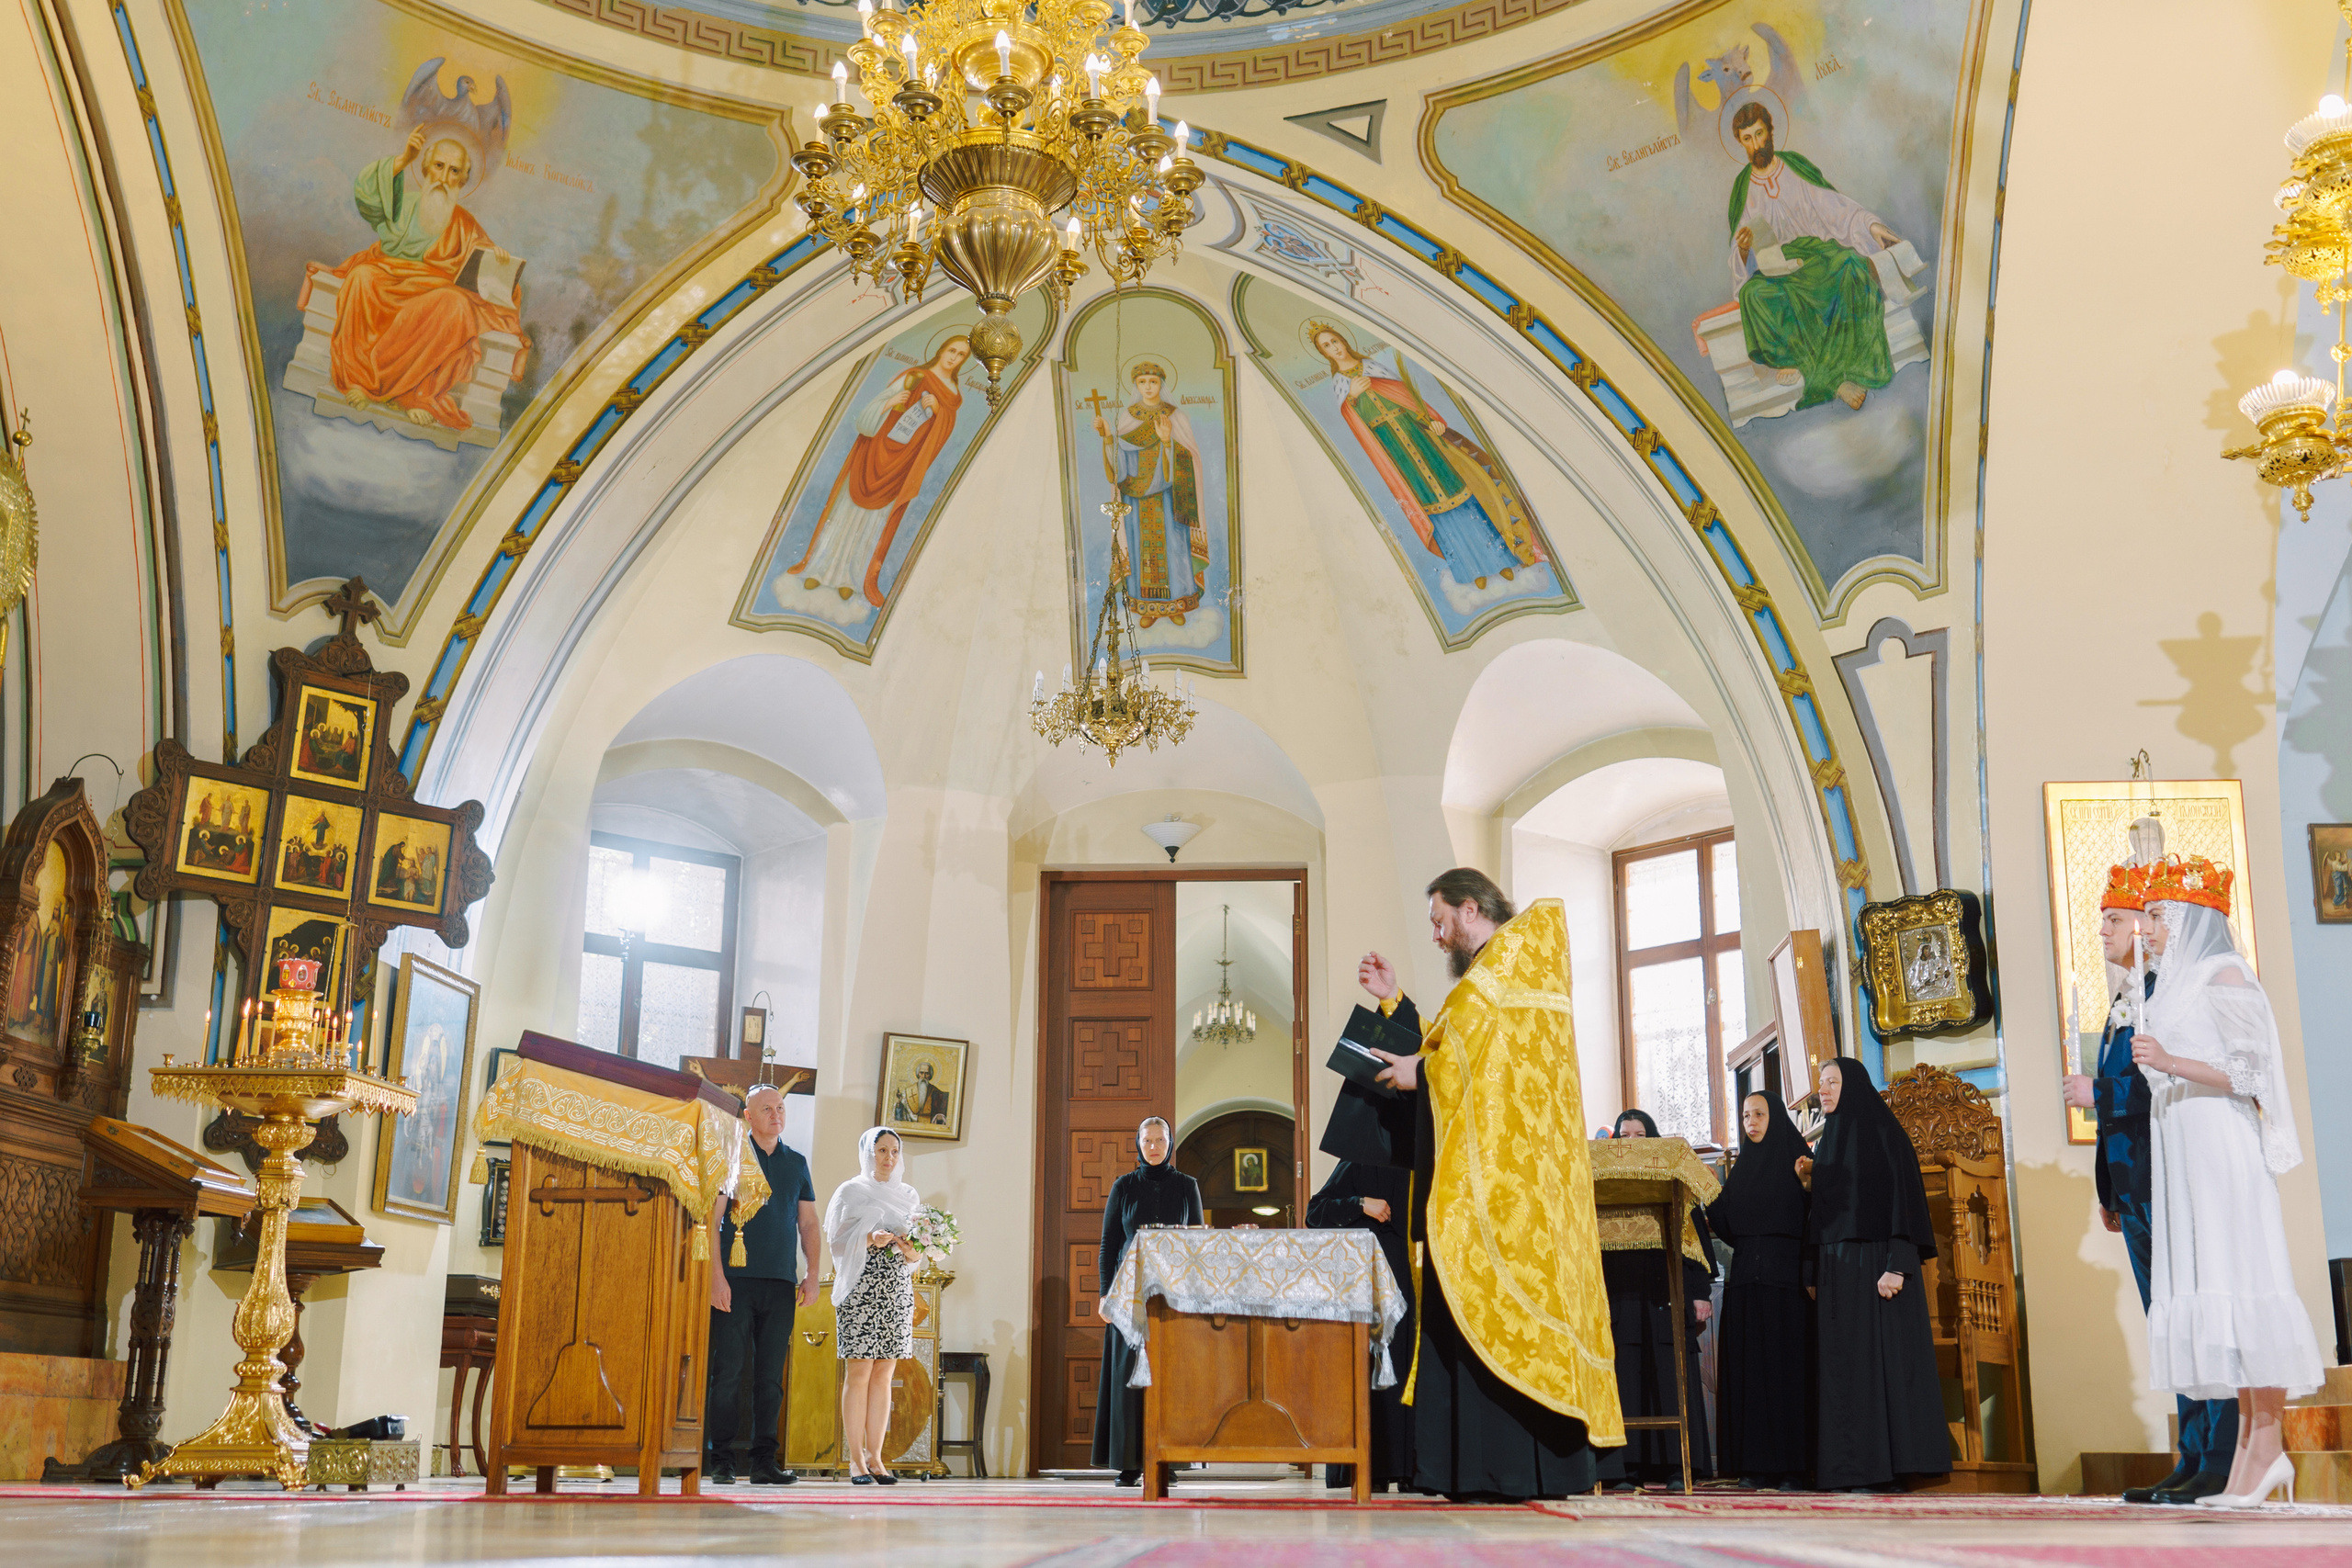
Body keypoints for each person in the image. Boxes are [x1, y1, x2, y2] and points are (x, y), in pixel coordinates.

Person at [1354, 868, 1621, 1502]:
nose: (1438, 936)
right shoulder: (1493, 971)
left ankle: (1511, 1468)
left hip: (1512, 1186)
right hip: (1485, 1181)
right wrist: (1395, 1006)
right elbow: (1455, 1049)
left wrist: (1425, 1071)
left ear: (1471, 907)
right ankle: (1467, 1468)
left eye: (1440, 921)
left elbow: (1464, 1059)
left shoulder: (1513, 963)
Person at [2130, 856, 2325, 1507]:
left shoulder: (2227, 973)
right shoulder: (2172, 985)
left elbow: (2250, 1073)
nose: (2149, 928)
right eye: (2149, 915)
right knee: (2220, 1282)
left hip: (2223, 1145)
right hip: (2187, 1145)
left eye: (2159, 915)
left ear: (2191, 919)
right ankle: (2250, 1449)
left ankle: (2267, 1445)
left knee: (2244, 1279)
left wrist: (2170, 1059)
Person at [2061, 859, 2238, 1503]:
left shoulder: (2174, 989)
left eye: (2115, 918)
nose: (2102, 929)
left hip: (2169, 1174)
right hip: (2132, 1182)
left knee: (2194, 1313)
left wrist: (2096, 1090)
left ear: (2145, 923)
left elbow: (2166, 1074)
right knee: (2167, 1322)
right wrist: (2107, 1189)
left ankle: (2219, 1454)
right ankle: (2192, 1454)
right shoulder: (2124, 995)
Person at [1795, 1056, 1951, 1491]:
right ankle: (1850, 1469)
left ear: (1855, 1085)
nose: (1823, 1090)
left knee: (1878, 1368)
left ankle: (1888, 1470)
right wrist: (1812, 1268)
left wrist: (1898, 1266)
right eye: (1821, 1083)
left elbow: (1903, 1203)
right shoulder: (1827, 1143)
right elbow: (1823, 1215)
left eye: (1832, 1082)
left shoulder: (1886, 1134)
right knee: (1844, 1371)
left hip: (1877, 1269)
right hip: (1835, 1275)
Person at [324, 128, 526, 433]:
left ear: (462, 179)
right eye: (439, 166)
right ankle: (361, 381)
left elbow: (484, 274)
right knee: (361, 277)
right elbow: (367, 198)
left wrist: (495, 257)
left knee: (455, 303)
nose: (444, 178)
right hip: (389, 276)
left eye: (454, 171)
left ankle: (414, 395)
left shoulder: (465, 224)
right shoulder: (404, 204)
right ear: (426, 168)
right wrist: (404, 158)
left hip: (434, 292)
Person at [1725, 102, 1906, 412]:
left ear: (1770, 131)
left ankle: (1818, 372)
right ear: (1740, 143)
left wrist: (1872, 226)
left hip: (1819, 255)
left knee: (1851, 266)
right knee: (1754, 295)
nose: (1755, 144)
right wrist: (1742, 249)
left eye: (1759, 134)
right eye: (1747, 139)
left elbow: (1837, 208)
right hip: (1778, 266)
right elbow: (1739, 251)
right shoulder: (1743, 189)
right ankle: (1824, 372)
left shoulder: (1795, 167)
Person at [704, 1085, 820, 1485]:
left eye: (781, 1108)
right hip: (734, 1283)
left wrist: (812, 1275)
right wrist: (715, 1277)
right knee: (729, 1373)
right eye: (767, 1109)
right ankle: (720, 1460)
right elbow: (712, 1222)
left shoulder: (797, 1162)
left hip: (780, 1283)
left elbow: (808, 1224)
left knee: (770, 1378)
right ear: (748, 1116)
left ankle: (763, 1463)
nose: (776, 1114)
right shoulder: (732, 1157)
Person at [1595, 1109, 1716, 1490]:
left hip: (1666, 1293)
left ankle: (1680, 1467)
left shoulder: (1671, 1175)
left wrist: (1699, 1293)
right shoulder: (1597, 1180)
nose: (1632, 1143)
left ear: (1654, 1140)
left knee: (1670, 1374)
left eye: (1640, 1135)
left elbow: (1695, 1240)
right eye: (1624, 1135)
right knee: (1624, 1376)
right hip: (1618, 1297)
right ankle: (1622, 1470)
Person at [1706, 1091, 1814, 1490]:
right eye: (1746, 1115)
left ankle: (1791, 1467)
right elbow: (1728, 1222)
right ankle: (1752, 1465)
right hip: (1746, 1285)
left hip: (1785, 1284)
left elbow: (1812, 1218)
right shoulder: (1743, 1168)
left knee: (1785, 1375)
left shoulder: (1799, 1163)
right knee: (1749, 1375)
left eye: (1760, 1114)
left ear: (1775, 1118)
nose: (1751, 1121)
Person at [1092, 1116, 1204, 1487]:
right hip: (1128, 1295)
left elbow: (1198, 1243)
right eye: (1147, 1140)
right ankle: (1129, 1463)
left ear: (1170, 1143)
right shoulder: (1122, 1187)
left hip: (1173, 1295)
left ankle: (1167, 1458)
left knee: (1169, 1376)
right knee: (1129, 1377)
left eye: (1160, 1139)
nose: (1153, 1146)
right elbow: (1109, 1244)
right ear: (1137, 1144)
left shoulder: (1188, 1186)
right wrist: (1105, 1293)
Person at [1306, 1157, 1415, 1493]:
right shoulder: (1359, 1159)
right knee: (1370, 1368)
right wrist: (1359, 1204)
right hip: (1366, 1278)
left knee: (1413, 1366)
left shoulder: (1424, 1156)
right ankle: (1371, 1467)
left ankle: (1414, 1469)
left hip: (1416, 1274)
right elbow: (1315, 1213)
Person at [824, 1127, 921, 1484]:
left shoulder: (909, 1195)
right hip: (860, 1284)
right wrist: (868, 1237)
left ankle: (877, 1458)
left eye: (894, 1151)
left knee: (884, 1375)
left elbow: (916, 1252)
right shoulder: (851, 1191)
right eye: (881, 1150)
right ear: (868, 1153)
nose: (889, 1158)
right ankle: (855, 1461)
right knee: (860, 1371)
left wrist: (912, 1251)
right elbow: (835, 1240)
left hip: (896, 1286)